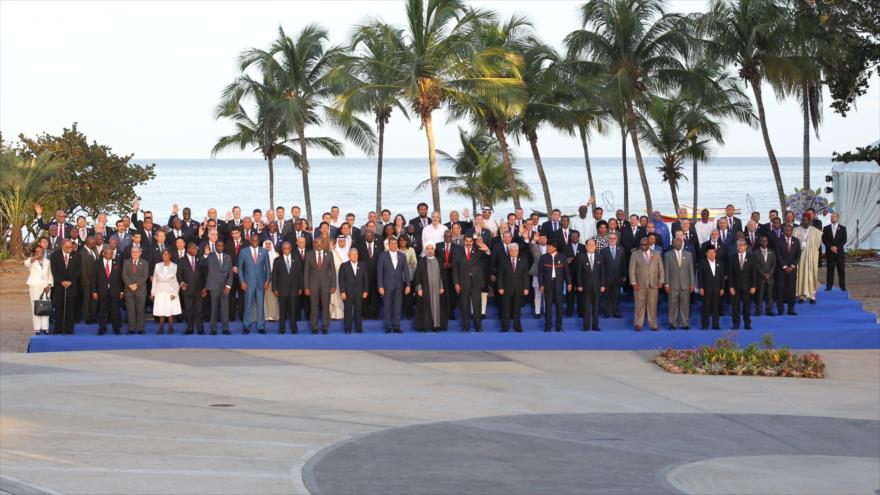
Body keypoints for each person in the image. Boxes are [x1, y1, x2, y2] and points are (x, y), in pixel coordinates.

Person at [453, 235, 487, 332]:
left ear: (473, 242)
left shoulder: (478, 250)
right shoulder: (458, 251)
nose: (468, 243)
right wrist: (456, 283)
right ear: (464, 241)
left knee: (477, 305)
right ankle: (466, 325)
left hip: (476, 282)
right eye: (466, 241)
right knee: (464, 305)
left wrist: (487, 249)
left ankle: (478, 325)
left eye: (470, 241)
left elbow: (488, 255)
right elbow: (455, 268)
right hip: (463, 282)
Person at [377, 237, 411, 333]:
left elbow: (406, 271)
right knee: (387, 306)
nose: (394, 245)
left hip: (399, 286)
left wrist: (408, 285)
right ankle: (388, 326)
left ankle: (396, 326)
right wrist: (380, 286)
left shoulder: (402, 256)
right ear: (388, 244)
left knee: (398, 306)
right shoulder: (382, 256)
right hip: (386, 286)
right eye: (391, 243)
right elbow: (379, 272)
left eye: (395, 243)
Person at [629, 238, 664, 331]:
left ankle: (653, 324)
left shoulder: (656, 254)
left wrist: (661, 281)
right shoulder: (635, 254)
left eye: (644, 244)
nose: (642, 246)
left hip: (654, 284)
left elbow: (661, 269)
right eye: (641, 244)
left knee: (652, 305)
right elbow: (631, 269)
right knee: (639, 305)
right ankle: (638, 324)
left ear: (649, 244)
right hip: (639, 284)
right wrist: (633, 282)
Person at [304, 237, 336, 334]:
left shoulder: (329, 254)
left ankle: (325, 327)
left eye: (321, 243)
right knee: (314, 307)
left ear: (323, 244)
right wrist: (306, 287)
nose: (319, 245)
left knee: (326, 307)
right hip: (312, 285)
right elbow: (306, 272)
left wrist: (334, 285)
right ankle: (314, 327)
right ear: (314, 244)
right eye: (317, 243)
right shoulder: (309, 255)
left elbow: (333, 271)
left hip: (326, 285)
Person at [238, 234, 270, 334]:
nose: (255, 241)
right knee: (248, 304)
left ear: (259, 240)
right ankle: (246, 326)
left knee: (260, 305)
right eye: (253, 240)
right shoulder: (243, 252)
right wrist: (242, 281)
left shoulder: (264, 251)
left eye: (256, 240)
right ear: (250, 241)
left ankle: (261, 326)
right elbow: (240, 269)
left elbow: (268, 268)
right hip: (248, 283)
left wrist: (267, 280)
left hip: (261, 282)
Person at [200, 240, 233, 335]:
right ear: (215, 246)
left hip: (225, 287)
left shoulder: (228, 257)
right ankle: (213, 329)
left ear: (224, 246)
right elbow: (201, 263)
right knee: (214, 309)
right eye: (218, 245)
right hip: (213, 286)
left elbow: (230, 273)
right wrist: (205, 254)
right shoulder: (210, 256)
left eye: (222, 245)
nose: (220, 247)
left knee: (225, 309)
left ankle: (225, 328)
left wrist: (228, 286)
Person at [538, 242, 571, 332]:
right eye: (547, 246)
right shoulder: (543, 257)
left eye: (549, 246)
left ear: (555, 248)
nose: (548, 248)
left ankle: (559, 327)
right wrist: (541, 284)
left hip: (559, 285)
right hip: (547, 285)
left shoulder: (562, 257)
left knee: (559, 306)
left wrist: (569, 283)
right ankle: (547, 326)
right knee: (548, 306)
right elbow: (540, 273)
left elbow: (566, 272)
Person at [663, 236, 695, 330]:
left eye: (679, 242)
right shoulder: (668, 255)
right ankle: (672, 323)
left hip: (686, 284)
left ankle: (684, 323)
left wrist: (692, 283)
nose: (677, 244)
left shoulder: (688, 254)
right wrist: (667, 284)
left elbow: (691, 271)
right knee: (673, 305)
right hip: (673, 285)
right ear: (673, 244)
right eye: (676, 242)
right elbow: (666, 271)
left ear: (682, 244)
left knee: (685, 305)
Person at [50, 240, 81, 335]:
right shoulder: (55, 255)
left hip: (72, 286)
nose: (70, 249)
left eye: (71, 247)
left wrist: (71, 281)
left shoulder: (76, 255)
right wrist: (62, 281)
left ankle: (69, 329)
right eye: (68, 247)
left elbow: (78, 270)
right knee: (59, 308)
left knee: (70, 308)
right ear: (63, 246)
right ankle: (58, 328)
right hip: (60, 286)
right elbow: (54, 270)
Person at [272, 241, 303, 334]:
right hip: (282, 289)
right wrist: (274, 288)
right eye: (284, 248)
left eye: (288, 248)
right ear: (282, 249)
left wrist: (301, 287)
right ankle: (282, 329)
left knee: (293, 310)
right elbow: (274, 276)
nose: (286, 250)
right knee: (282, 310)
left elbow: (300, 274)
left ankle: (294, 328)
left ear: (291, 249)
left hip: (294, 289)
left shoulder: (297, 259)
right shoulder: (277, 260)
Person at [496, 243, 528, 332]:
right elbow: (500, 276)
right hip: (506, 289)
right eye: (512, 250)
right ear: (509, 251)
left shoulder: (523, 260)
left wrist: (526, 288)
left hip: (519, 288)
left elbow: (525, 275)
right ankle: (505, 326)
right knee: (505, 309)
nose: (514, 252)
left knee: (517, 309)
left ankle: (517, 326)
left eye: (516, 250)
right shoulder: (503, 260)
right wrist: (500, 287)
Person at [178, 242, 206, 335]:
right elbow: (179, 275)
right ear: (188, 249)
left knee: (199, 310)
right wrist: (182, 284)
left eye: (196, 249)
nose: (195, 250)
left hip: (199, 290)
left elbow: (204, 275)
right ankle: (189, 328)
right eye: (193, 248)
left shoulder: (200, 259)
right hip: (187, 289)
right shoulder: (181, 260)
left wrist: (204, 288)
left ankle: (200, 328)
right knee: (189, 310)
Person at [576, 239, 604, 331]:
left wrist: (602, 285)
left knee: (596, 308)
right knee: (586, 308)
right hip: (585, 286)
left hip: (597, 286)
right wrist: (579, 285)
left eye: (593, 245)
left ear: (595, 246)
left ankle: (595, 326)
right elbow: (578, 272)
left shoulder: (600, 257)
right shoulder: (581, 257)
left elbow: (602, 273)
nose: (591, 246)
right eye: (589, 245)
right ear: (586, 246)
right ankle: (586, 326)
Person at [151, 249, 181, 334]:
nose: (165, 256)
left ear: (170, 256)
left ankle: (171, 328)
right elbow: (155, 280)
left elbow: (177, 281)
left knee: (170, 311)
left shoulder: (175, 266)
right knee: (161, 310)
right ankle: (161, 328)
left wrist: (175, 293)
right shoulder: (157, 265)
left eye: (166, 254)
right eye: (163, 254)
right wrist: (153, 293)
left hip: (170, 291)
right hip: (159, 291)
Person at [728, 239, 757, 330]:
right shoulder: (732, 257)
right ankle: (736, 324)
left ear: (745, 247)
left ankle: (747, 324)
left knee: (746, 307)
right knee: (735, 307)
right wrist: (731, 286)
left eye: (742, 245)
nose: (740, 247)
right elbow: (730, 274)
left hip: (747, 287)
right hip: (735, 288)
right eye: (738, 245)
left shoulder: (751, 257)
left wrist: (753, 286)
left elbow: (754, 273)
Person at [338, 247, 368, 333]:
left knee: (358, 310)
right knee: (348, 311)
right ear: (349, 255)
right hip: (348, 293)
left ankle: (359, 328)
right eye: (352, 254)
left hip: (359, 292)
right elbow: (341, 280)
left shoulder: (363, 265)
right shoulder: (344, 266)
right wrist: (342, 292)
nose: (354, 256)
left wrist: (366, 290)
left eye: (356, 254)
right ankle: (348, 328)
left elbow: (366, 279)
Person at [25, 245, 53, 334]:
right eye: (37, 251)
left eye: (40, 251)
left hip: (45, 287)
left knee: (45, 305)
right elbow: (26, 263)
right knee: (35, 306)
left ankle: (45, 328)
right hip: (35, 286)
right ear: (34, 252)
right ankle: (37, 328)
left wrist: (49, 285)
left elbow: (50, 274)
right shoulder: (31, 261)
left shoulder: (47, 261)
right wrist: (35, 258)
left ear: (43, 252)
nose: (39, 253)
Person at [122, 245, 149, 334]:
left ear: (140, 253)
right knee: (130, 310)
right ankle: (131, 328)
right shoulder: (126, 262)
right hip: (129, 290)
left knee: (140, 310)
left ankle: (140, 328)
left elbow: (144, 276)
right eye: (133, 252)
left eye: (136, 252)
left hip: (140, 290)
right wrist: (130, 285)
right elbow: (124, 275)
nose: (135, 254)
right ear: (131, 253)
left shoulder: (145, 263)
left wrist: (136, 285)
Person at [794, 219, 821, 304]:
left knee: (811, 275)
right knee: (800, 275)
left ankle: (812, 296)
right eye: (803, 220)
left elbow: (817, 245)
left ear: (810, 222)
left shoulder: (815, 231)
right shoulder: (796, 230)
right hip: (800, 257)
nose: (805, 222)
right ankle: (801, 296)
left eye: (806, 221)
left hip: (811, 258)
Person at [775, 225, 801, 316]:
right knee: (780, 290)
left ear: (792, 231)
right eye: (786, 230)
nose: (788, 232)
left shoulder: (796, 241)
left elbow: (798, 256)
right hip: (781, 270)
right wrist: (785, 266)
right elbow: (778, 255)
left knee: (792, 290)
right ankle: (780, 310)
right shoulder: (778, 241)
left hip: (792, 270)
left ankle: (791, 309)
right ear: (783, 231)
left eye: (789, 230)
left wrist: (792, 266)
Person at [699, 245, 724, 330]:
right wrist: (701, 287)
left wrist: (722, 288)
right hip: (706, 289)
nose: (711, 254)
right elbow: (700, 277)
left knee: (716, 308)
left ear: (715, 253)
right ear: (706, 254)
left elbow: (722, 277)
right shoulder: (702, 263)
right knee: (705, 307)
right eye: (709, 252)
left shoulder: (720, 263)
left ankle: (715, 325)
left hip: (717, 289)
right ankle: (705, 325)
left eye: (713, 252)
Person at [601, 232, 625, 318]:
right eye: (610, 238)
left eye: (614, 238)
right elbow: (602, 266)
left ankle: (616, 312)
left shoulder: (621, 249)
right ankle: (607, 312)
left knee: (617, 296)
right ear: (608, 240)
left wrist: (624, 276)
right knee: (606, 296)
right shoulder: (603, 250)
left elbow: (623, 263)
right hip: (607, 278)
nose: (612, 240)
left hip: (618, 277)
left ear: (617, 239)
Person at [822, 212, 847, 291]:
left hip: (839, 252)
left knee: (841, 269)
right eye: (831, 217)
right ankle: (829, 286)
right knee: (830, 269)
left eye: (834, 217)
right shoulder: (826, 228)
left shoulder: (843, 228)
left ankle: (842, 286)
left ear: (837, 218)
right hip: (830, 252)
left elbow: (844, 240)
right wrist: (830, 247)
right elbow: (824, 239)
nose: (832, 218)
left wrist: (836, 247)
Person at [753, 235, 777, 317]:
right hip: (760, 278)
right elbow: (756, 265)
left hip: (770, 277)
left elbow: (774, 264)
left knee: (770, 295)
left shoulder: (772, 252)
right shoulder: (755, 252)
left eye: (766, 241)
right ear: (760, 242)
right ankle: (758, 311)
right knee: (759, 295)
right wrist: (763, 273)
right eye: (763, 240)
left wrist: (769, 274)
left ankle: (769, 310)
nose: (764, 242)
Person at [78, 236, 99, 324]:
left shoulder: (93, 250)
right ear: (89, 243)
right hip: (87, 282)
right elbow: (82, 270)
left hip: (95, 281)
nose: (96, 244)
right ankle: (87, 318)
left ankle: (92, 316)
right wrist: (87, 282)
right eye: (94, 243)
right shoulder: (82, 253)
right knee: (87, 300)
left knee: (94, 300)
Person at [529, 233, 549, 318]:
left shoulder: (550, 247)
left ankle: (546, 311)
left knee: (547, 294)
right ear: (538, 239)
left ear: (547, 239)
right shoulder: (535, 246)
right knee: (537, 294)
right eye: (541, 238)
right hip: (537, 274)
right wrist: (534, 239)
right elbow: (531, 245)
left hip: (548, 274)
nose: (543, 240)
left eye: (544, 238)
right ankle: (537, 312)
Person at [398, 235, 418, 319]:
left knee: (408, 296)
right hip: (398, 276)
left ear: (407, 241)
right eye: (401, 240)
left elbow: (414, 263)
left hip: (410, 276)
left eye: (405, 240)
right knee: (400, 296)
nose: (403, 242)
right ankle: (400, 314)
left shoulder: (411, 250)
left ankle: (409, 314)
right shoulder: (396, 250)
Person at [329, 236, 350, 320]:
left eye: (343, 241)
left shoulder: (348, 252)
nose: (341, 243)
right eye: (340, 241)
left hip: (345, 279)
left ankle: (342, 314)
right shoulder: (333, 253)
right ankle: (333, 315)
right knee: (334, 297)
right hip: (334, 278)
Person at [262, 239, 280, 321]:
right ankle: (265, 316)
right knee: (264, 298)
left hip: (274, 279)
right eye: (266, 244)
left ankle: (273, 316)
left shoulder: (276, 255)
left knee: (273, 298)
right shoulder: (260, 254)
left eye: (269, 244)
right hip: (262, 279)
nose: (268, 246)